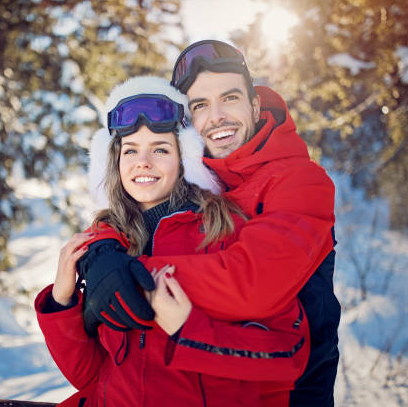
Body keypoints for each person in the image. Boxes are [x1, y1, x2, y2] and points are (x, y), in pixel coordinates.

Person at [79, 41, 341, 406]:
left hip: (291, 393)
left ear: (254, 104)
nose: (216, 117)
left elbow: (252, 282)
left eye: (229, 98)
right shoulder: (200, 176)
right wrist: (101, 247)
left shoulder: (300, 181)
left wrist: (131, 273)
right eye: (200, 105)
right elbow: (139, 208)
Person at [35, 76, 310, 406]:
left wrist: (187, 331)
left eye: (160, 149)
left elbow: (288, 354)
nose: (143, 162)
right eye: (130, 150)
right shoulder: (108, 244)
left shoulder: (225, 231)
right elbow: (95, 377)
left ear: (185, 158)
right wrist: (61, 302)